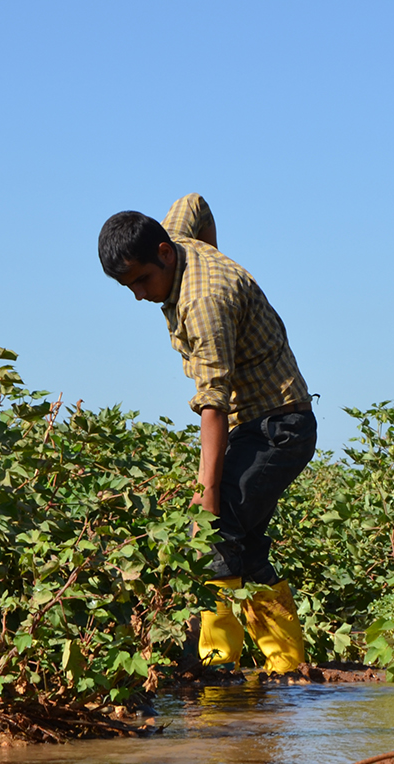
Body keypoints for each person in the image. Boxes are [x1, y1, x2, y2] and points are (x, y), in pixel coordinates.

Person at [97, 193, 315, 673]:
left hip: (280, 425)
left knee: (216, 532)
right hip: (257, 423)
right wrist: (215, 255)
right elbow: (194, 202)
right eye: (128, 287)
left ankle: (215, 669)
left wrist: (207, 493)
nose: (139, 295)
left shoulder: (204, 303)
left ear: (165, 253)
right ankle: (288, 666)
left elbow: (213, 403)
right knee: (247, 545)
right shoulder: (173, 236)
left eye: (142, 281)